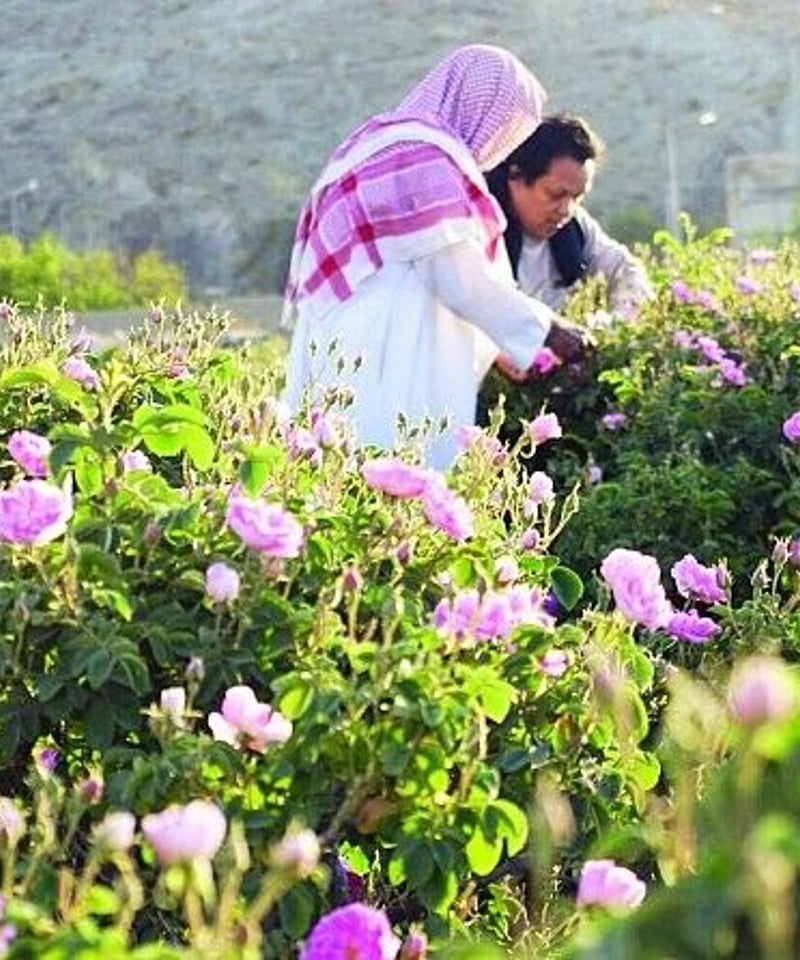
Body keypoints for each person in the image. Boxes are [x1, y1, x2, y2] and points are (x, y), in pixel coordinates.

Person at [281, 44, 586, 469]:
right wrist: (547, 328)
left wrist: (503, 345)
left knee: (334, 483)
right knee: (384, 483)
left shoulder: (382, 141)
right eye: (505, 125)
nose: (501, 142)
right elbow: (458, 278)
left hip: (349, 342)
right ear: (484, 108)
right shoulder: (426, 156)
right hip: (386, 349)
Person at [485, 113, 654, 315]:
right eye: (556, 194)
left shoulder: (576, 227)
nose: (566, 210)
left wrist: (615, 325)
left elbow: (624, 269)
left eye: (577, 198)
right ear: (516, 176)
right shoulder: (478, 228)